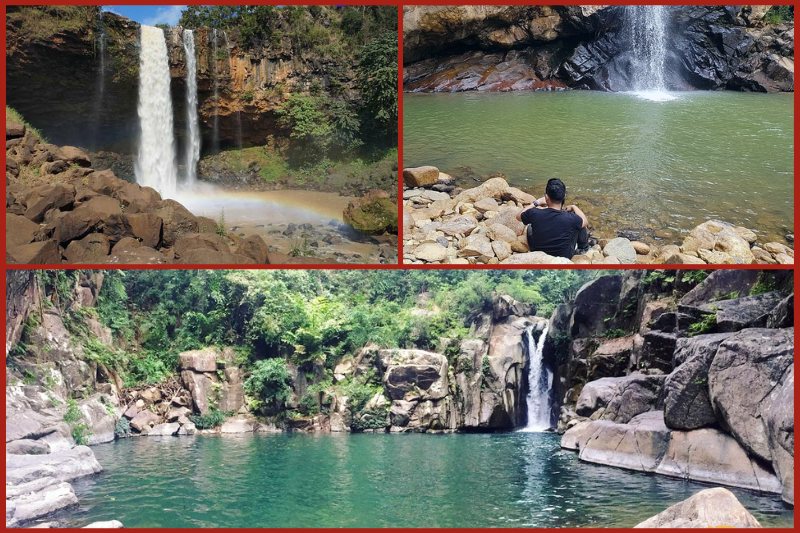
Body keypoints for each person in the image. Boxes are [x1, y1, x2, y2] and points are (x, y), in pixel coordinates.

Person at [515, 178, 589, 259]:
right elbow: (585, 221)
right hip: (565, 256)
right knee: (579, 225)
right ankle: (583, 249)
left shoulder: (534, 213)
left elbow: (518, 217)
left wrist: (537, 202)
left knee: (529, 228)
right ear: (564, 196)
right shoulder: (571, 218)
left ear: (546, 197)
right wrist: (574, 207)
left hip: (540, 254)